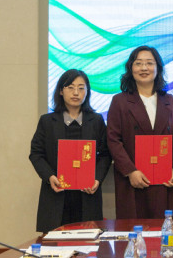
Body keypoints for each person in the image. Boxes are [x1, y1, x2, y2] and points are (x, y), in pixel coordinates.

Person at [29, 69, 111, 233]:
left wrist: (97, 179)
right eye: (70, 87)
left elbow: (106, 154)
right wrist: (50, 177)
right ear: (61, 90)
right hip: (56, 195)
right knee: (55, 245)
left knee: (87, 244)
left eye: (81, 88)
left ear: (87, 92)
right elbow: (36, 154)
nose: (76, 93)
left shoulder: (96, 121)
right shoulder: (47, 121)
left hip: (87, 196)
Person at [106, 46, 173, 219]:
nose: (144, 68)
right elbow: (113, 139)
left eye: (149, 63)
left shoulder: (169, 101)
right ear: (130, 68)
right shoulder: (120, 101)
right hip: (132, 180)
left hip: (163, 179)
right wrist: (130, 171)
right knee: (134, 228)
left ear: (158, 68)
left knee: (163, 228)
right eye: (138, 63)